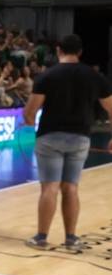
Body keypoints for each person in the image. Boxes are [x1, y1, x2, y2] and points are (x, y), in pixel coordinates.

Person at [23, 33, 112, 251]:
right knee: (71, 187)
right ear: (80, 52)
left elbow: (30, 112)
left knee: (50, 187)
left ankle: (41, 237)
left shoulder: (47, 76)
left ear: (58, 50)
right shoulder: (94, 76)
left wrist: (29, 121)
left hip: (50, 136)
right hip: (80, 137)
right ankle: (71, 238)